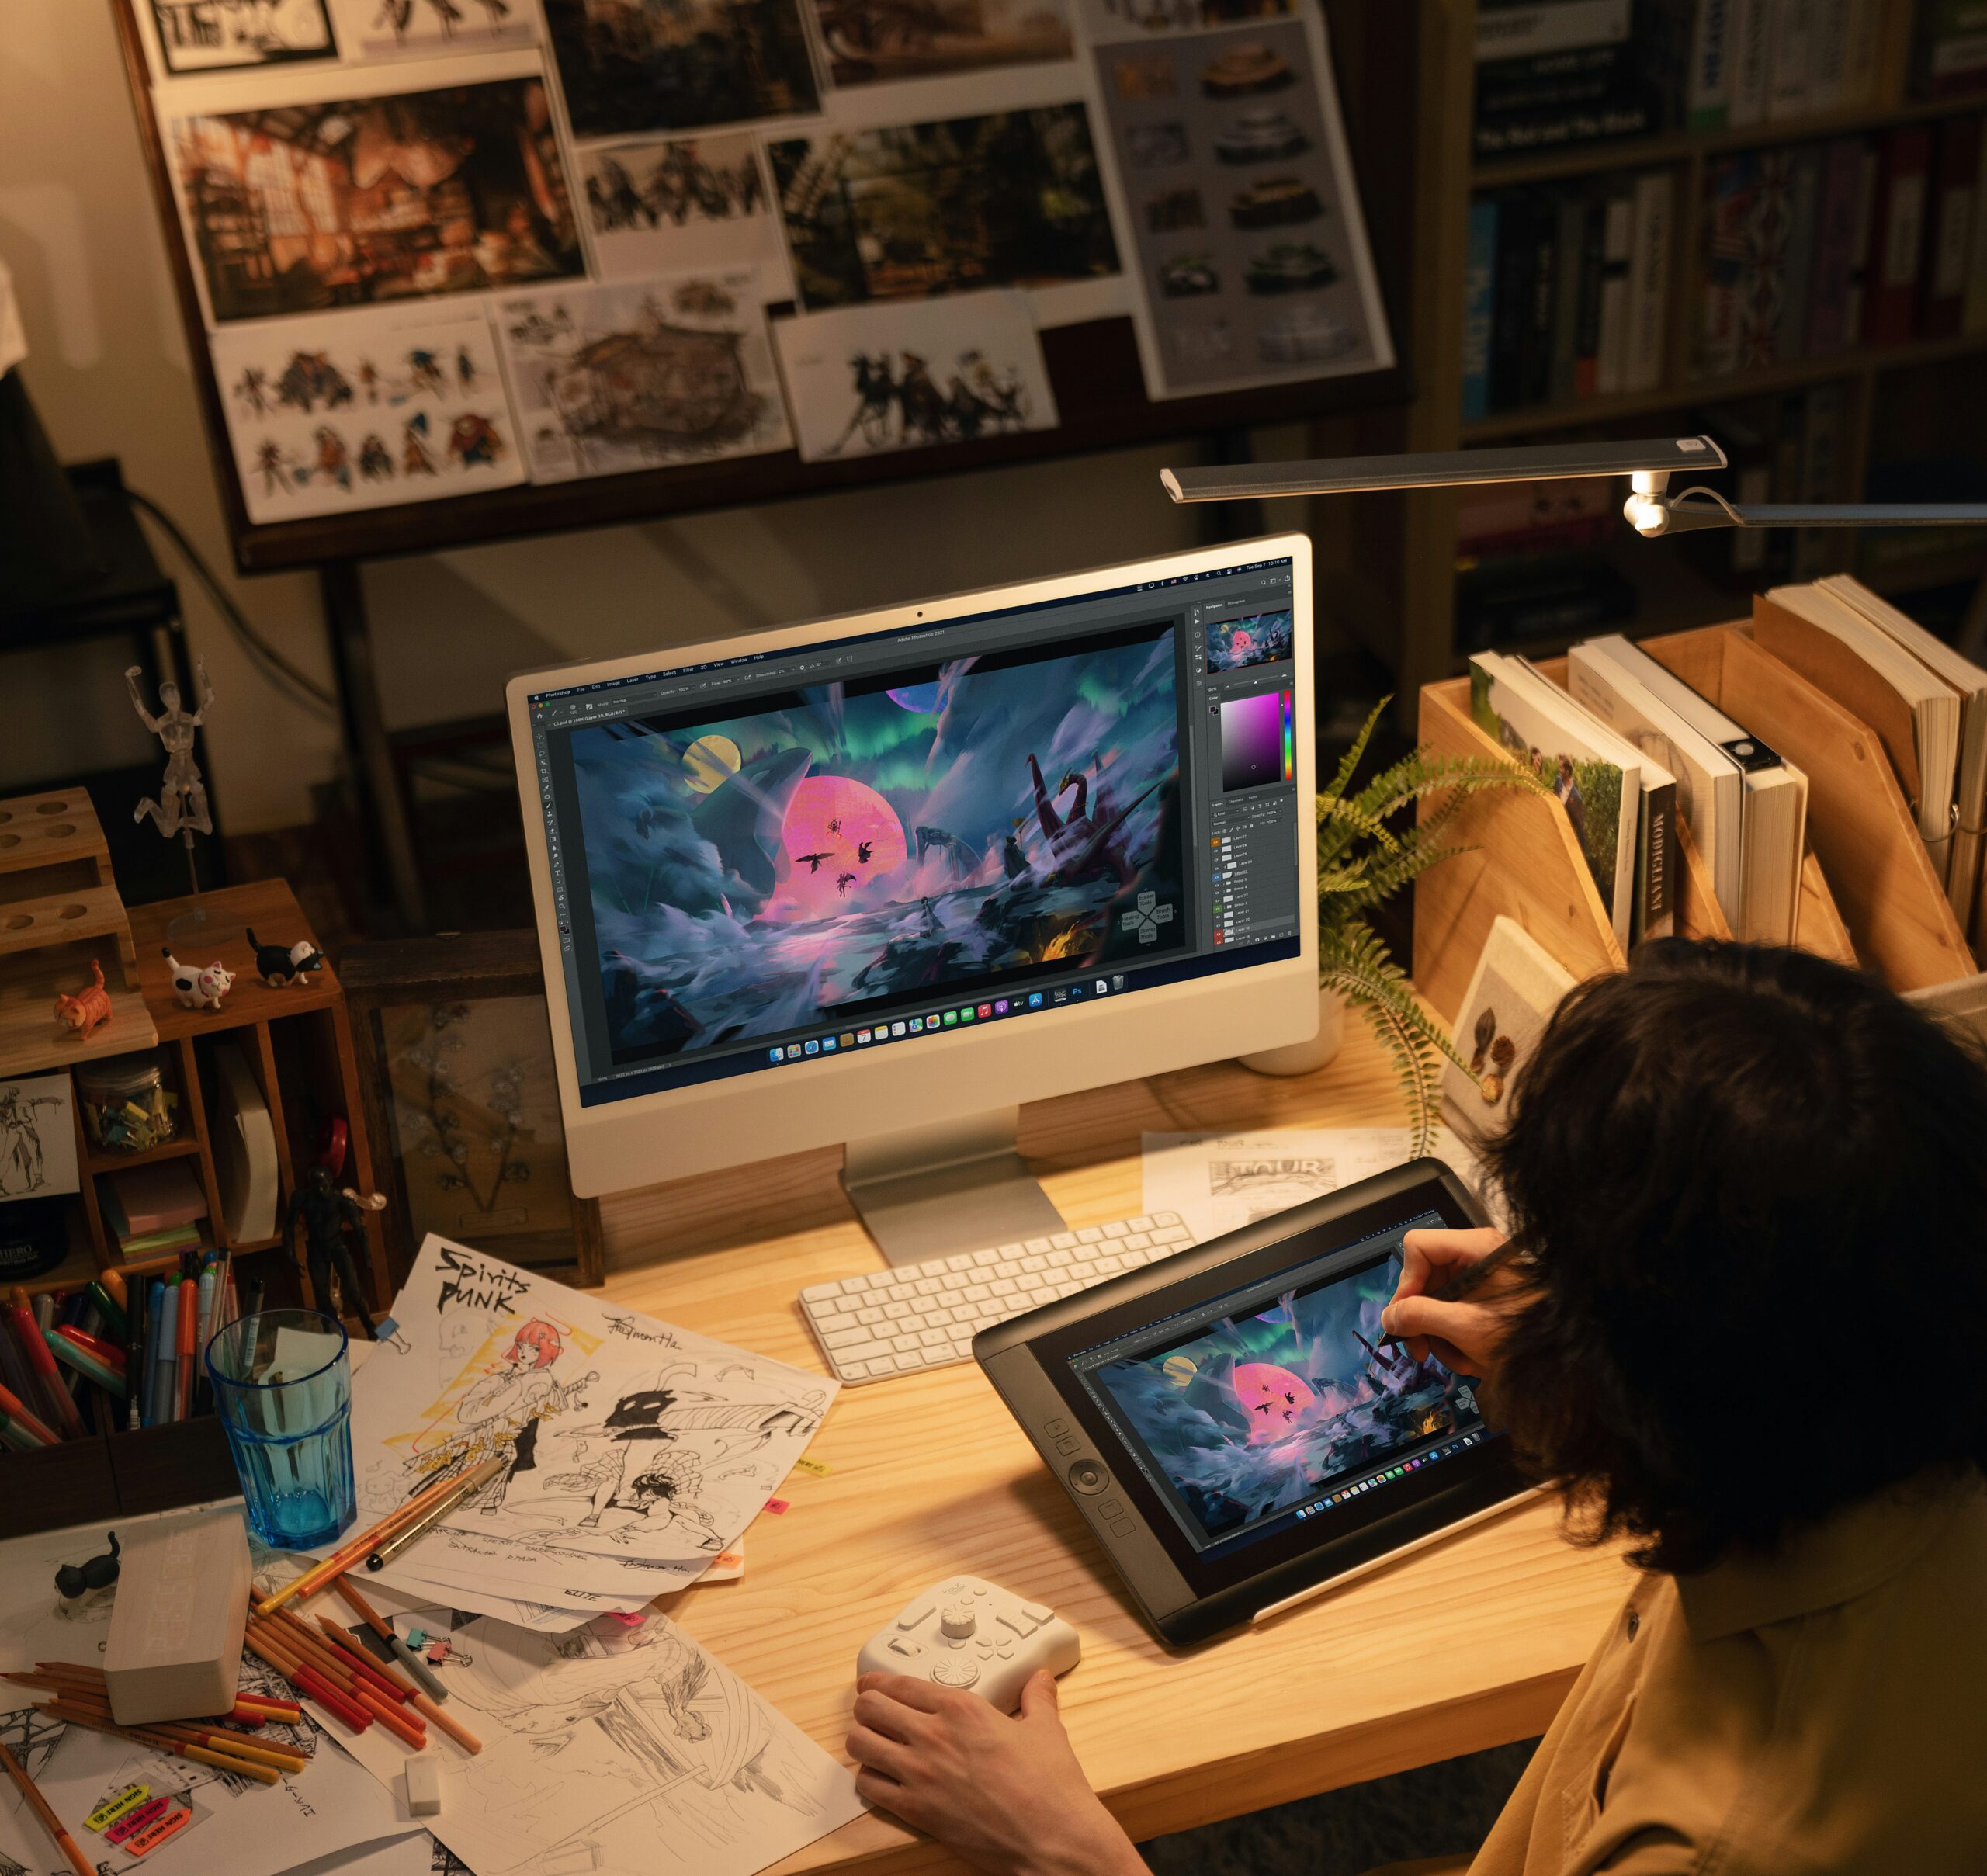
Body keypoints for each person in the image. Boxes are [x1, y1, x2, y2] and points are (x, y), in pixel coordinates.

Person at [847, 941, 1987, 1874]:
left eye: (1559, 1260)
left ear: (1666, 1384)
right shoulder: (1881, 1389)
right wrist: (1583, 1320)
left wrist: (1065, 1848)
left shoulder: (1708, 1846)